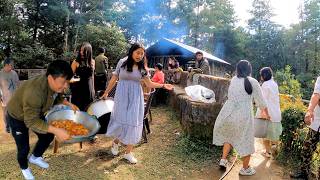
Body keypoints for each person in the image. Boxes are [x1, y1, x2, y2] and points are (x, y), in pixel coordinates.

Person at [101, 43, 173, 164]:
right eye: (137, 52)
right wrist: (106, 92)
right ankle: (116, 143)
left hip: (135, 96)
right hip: (122, 95)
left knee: (133, 121)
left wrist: (163, 85)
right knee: (121, 119)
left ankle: (128, 152)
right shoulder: (122, 62)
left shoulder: (143, 68)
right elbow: (114, 78)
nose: (140, 55)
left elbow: (149, 84)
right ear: (132, 52)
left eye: (142, 53)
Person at [6, 60, 79, 180]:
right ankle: (24, 167)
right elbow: (31, 122)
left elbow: (56, 95)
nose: (66, 86)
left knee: (48, 136)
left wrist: (68, 103)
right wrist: (57, 130)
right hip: (17, 116)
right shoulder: (35, 92)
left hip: (35, 111)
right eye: (63, 82)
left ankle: (35, 157)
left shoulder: (52, 84)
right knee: (23, 147)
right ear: (50, 78)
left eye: (67, 82)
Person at [212, 60, 270, 176]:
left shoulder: (233, 79)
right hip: (243, 115)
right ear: (249, 70)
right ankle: (245, 168)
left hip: (228, 112)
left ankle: (223, 159)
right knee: (246, 141)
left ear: (238, 69)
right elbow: (261, 102)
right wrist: (267, 114)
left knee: (229, 136)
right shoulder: (253, 82)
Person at [290, 76, 320, 179]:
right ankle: (304, 174)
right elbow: (316, 95)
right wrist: (310, 110)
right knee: (307, 149)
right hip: (316, 123)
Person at [256, 67, 282, 158]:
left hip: (267, 112)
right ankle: (275, 149)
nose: (261, 77)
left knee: (265, 134)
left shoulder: (265, 84)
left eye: (261, 75)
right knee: (273, 133)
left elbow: (263, 100)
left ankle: (267, 152)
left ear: (264, 75)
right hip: (276, 112)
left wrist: (263, 112)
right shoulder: (274, 84)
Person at [70, 42, 95, 111]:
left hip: (88, 90)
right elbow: (70, 77)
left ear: (89, 52)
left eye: (84, 51)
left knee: (88, 111)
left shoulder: (92, 62)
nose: (81, 52)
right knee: (77, 112)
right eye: (80, 50)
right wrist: (77, 78)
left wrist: (93, 90)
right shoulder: (76, 62)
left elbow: (92, 77)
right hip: (78, 91)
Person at [0, 58, 19, 133]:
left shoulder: (14, 73)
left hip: (14, 97)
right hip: (5, 97)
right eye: (11, 65)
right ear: (6, 65)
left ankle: (13, 125)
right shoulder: (0, 74)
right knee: (6, 113)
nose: (12, 67)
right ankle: (7, 126)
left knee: (14, 112)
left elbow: (17, 84)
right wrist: (1, 95)